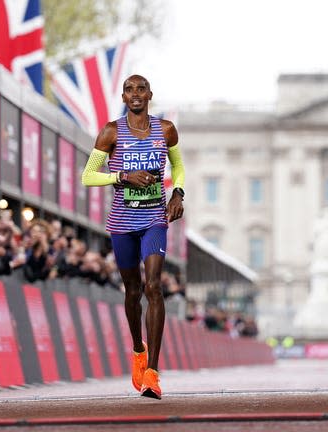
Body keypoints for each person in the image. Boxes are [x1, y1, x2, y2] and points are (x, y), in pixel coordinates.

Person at [81, 74, 185, 399]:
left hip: (155, 217)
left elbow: (178, 166)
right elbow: (87, 176)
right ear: (124, 97)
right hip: (123, 221)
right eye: (129, 90)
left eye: (141, 89)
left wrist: (178, 193)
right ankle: (138, 350)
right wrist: (122, 175)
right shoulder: (111, 132)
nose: (136, 94)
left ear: (150, 94)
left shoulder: (165, 129)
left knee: (154, 286)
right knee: (133, 291)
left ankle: (152, 372)